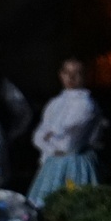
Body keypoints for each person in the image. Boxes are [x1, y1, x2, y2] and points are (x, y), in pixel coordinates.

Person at [27, 58, 103, 207]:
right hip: (52, 162)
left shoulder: (86, 104)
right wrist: (50, 145)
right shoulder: (55, 103)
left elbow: (68, 139)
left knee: (74, 205)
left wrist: (52, 133)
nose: (71, 77)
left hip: (75, 164)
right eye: (67, 72)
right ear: (61, 75)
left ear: (84, 76)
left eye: (76, 73)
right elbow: (39, 136)